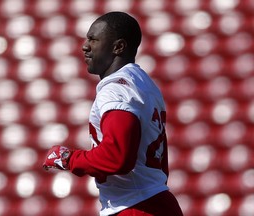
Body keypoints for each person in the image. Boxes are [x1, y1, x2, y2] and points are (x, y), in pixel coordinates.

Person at [43, 11, 184, 216]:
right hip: (153, 200)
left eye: (93, 39)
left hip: (137, 206)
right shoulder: (143, 83)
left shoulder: (116, 89)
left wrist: (68, 158)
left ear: (118, 47)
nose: (85, 45)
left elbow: (117, 157)